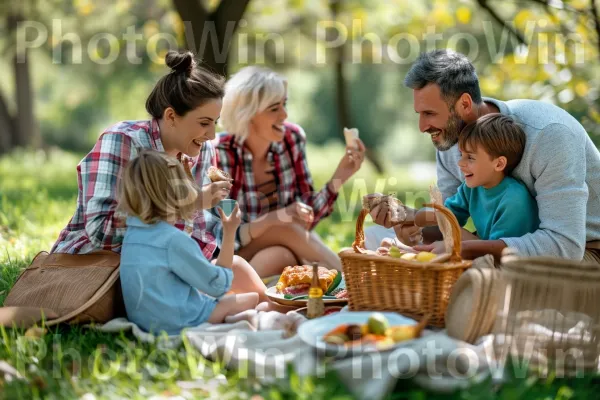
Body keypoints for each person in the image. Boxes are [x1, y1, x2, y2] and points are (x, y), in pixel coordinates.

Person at [51, 50, 275, 304]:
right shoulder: (123, 140)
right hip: (103, 268)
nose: (212, 135)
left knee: (242, 270)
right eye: (204, 123)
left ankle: (287, 317)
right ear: (171, 116)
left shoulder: (202, 152)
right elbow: (100, 232)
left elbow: (200, 233)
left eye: (215, 122)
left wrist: (231, 228)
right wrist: (189, 203)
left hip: (167, 265)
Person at [366, 49, 600, 262]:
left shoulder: (548, 135)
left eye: (429, 113)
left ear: (465, 104)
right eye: (419, 113)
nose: (422, 126)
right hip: (508, 245)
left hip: (585, 251)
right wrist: (412, 227)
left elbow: (565, 247)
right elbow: (449, 220)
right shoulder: (450, 142)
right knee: (382, 242)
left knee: (483, 279)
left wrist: (468, 250)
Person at [213, 66, 366, 276]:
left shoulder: (291, 139)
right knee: (285, 228)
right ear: (248, 114)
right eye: (274, 108)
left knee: (280, 256)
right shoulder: (219, 153)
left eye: (284, 104)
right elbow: (218, 234)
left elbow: (307, 218)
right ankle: (357, 282)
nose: (284, 114)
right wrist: (272, 220)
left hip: (287, 247)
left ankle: (236, 293)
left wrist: (340, 177)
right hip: (234, 252)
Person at [118, 150, 270, 334]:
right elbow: (217, 286)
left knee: (227, 296)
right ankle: (259, 318)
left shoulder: (132, 235)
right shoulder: (173, 240)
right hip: (179, 322)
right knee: (251, 298)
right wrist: (229, 232)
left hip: (146, 321)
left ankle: (234, 319)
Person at [411, 114, 539, 258]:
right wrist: (413, 220)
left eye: (470, 157)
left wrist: (452, 236)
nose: (460, 163)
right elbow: (448, 216)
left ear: (499, 164)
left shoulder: (514, 200)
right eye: (461, 155)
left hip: (514, 265)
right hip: (486, 252)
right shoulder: (471, 188)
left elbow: (497, 254)